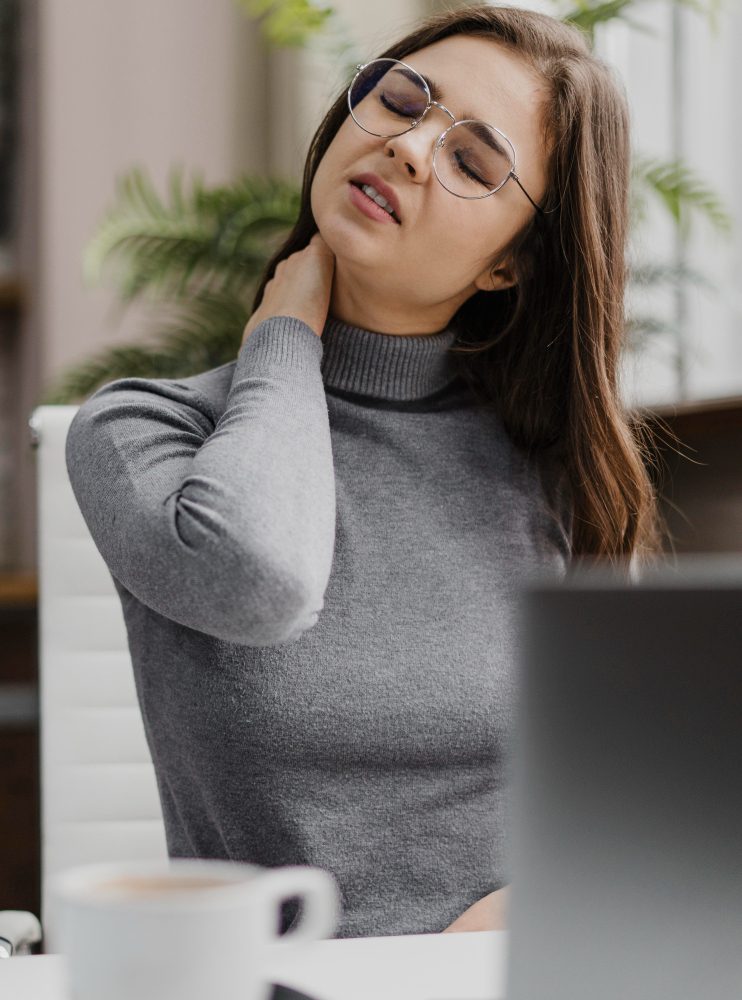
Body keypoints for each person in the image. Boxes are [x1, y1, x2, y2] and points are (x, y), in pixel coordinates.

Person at [64, 3, 660, 939]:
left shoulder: (558, 477)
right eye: (402, 99)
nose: (414, 148)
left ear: (510, 266)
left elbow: (623, 796)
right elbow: (259, 580)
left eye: (472, 161)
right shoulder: (144, 430)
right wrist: (285, 337)